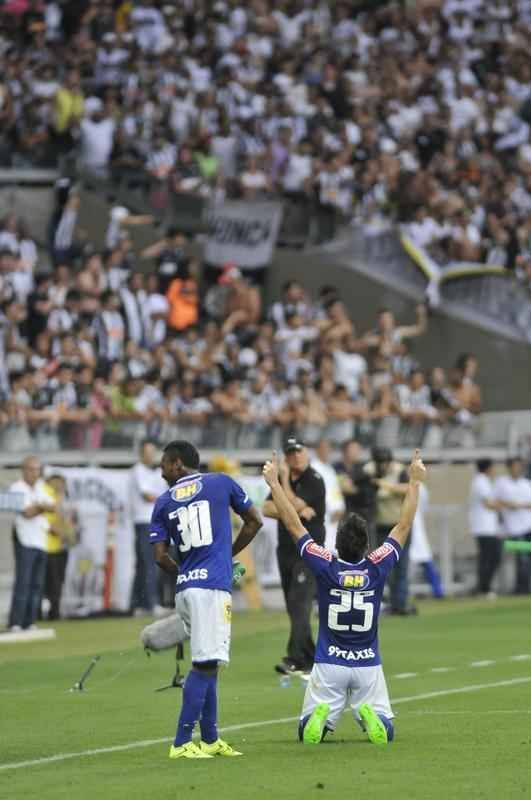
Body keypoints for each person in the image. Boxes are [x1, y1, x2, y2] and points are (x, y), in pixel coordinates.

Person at [262, 449, 426, 745]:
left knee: (306, 731)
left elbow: (293, 525)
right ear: (366, 545)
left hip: (329, 663)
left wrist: (274, 484)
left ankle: (321, 716)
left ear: (336, 543)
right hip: (367, 664)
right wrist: (414, 482)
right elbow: (403, 526)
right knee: (386, 731)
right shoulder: (377, 565)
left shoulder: (325, 565)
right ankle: (369, 714)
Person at [146, 440, 262, 759]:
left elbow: (159, 557)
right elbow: (255, 521)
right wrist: (225, 556)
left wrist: (187, 571)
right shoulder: (221, 482)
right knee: (205, 664)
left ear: (178, 464)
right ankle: (182, 742)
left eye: (164, 464)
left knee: (208, 662)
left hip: (185, 590)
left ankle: (210, 739)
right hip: (211, 589)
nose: (161, 470)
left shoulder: (163, 501)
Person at [263, 437, 326, 676]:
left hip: (309, 550)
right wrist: (295, 510)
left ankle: (294, 658)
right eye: (290, 453)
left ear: (306, 453)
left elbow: (287, 503)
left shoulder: (314, 479)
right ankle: (309, 656)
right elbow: (266, 508)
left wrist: (285, 486)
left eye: (298, 452)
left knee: (301, 603)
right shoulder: (282, 481)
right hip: (286, 550)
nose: (295, 457)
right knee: (293, 606)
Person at [8, 456, 56, 632]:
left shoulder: (41, 487)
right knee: (23, 582)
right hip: (24, 539)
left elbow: (53, 506)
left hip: (40, 541)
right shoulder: (15, 488)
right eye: (31, 469)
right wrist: (41, 506)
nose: (34, 473)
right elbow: (27, 513)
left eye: (37, 469)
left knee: (36, 584)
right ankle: (16, 622)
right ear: (24, 470)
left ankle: (29, 621)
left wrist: (38, 506)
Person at [363, 448, 414, 615]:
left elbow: (409, 488)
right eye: (380, 463)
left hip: (398, 526)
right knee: (378, 566)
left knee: (401, 566)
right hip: (379, 525)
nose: (383, 466)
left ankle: (400, 603)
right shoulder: (368, 469)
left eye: (385, 462)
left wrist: (387, 486)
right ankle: (378, 602)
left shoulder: (399, 470)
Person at [130, 439, 167, 617]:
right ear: (141, 454)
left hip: (156, 521)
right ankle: (150, 603)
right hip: (144, 521)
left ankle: (140, 604)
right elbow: (148, 496)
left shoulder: (157, 472)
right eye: (147, 452)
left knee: (148, 564)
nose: (151, 456)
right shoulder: (138, 471)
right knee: (148, 563)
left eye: (153, 452)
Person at [42, 473, 77, 620]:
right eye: (57, 483)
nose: (60, 486)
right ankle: (39, 613)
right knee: (45, 584)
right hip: (46, 547)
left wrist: (69, 533)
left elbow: (69, 523)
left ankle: (54, 613)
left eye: (62, 484)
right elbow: (45, 522)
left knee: (57, 583)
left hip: (60, 548)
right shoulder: (46, 498)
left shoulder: (64, 501)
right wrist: (60, 531)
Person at [495, 457, 531, 595]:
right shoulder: (502, 484)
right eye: (515, 466)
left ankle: (524, 587)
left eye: (519, 466)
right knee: (522, 559)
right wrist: (510, 505)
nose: (518, 469)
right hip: (513, 529)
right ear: (509, 467)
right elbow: (495, 502)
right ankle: (521, 589)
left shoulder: (526, 484)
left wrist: (519, 505)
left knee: (526, 559)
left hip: (528, 527)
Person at [468, 459, 503, 598]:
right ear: (488, 468)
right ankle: (484, 588)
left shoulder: (483, 481)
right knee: (489, 558)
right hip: (484, 528)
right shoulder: (480, 481)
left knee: (491, 558)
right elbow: (489, 503)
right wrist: (506, 505)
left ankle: (484, 587)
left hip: (488, 527)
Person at [311, 439, 346, 552]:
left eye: (329, 448)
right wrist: (333, 509)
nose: (327, 451)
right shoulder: (314, 468)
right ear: (317, 450)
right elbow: (321, 492)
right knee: (322, 549)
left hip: (334, 516)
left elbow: (335, 491)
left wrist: (340, 507)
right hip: (324, 515)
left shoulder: (330, 468)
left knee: (333, 548)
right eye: (324, 448)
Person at [410, 482, 444, 599]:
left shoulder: (419, 487)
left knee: (425, 560)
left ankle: (438, 591)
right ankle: (438, 591)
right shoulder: (419, 486)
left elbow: (422, 506)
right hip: (408, 525)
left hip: (414, 525)